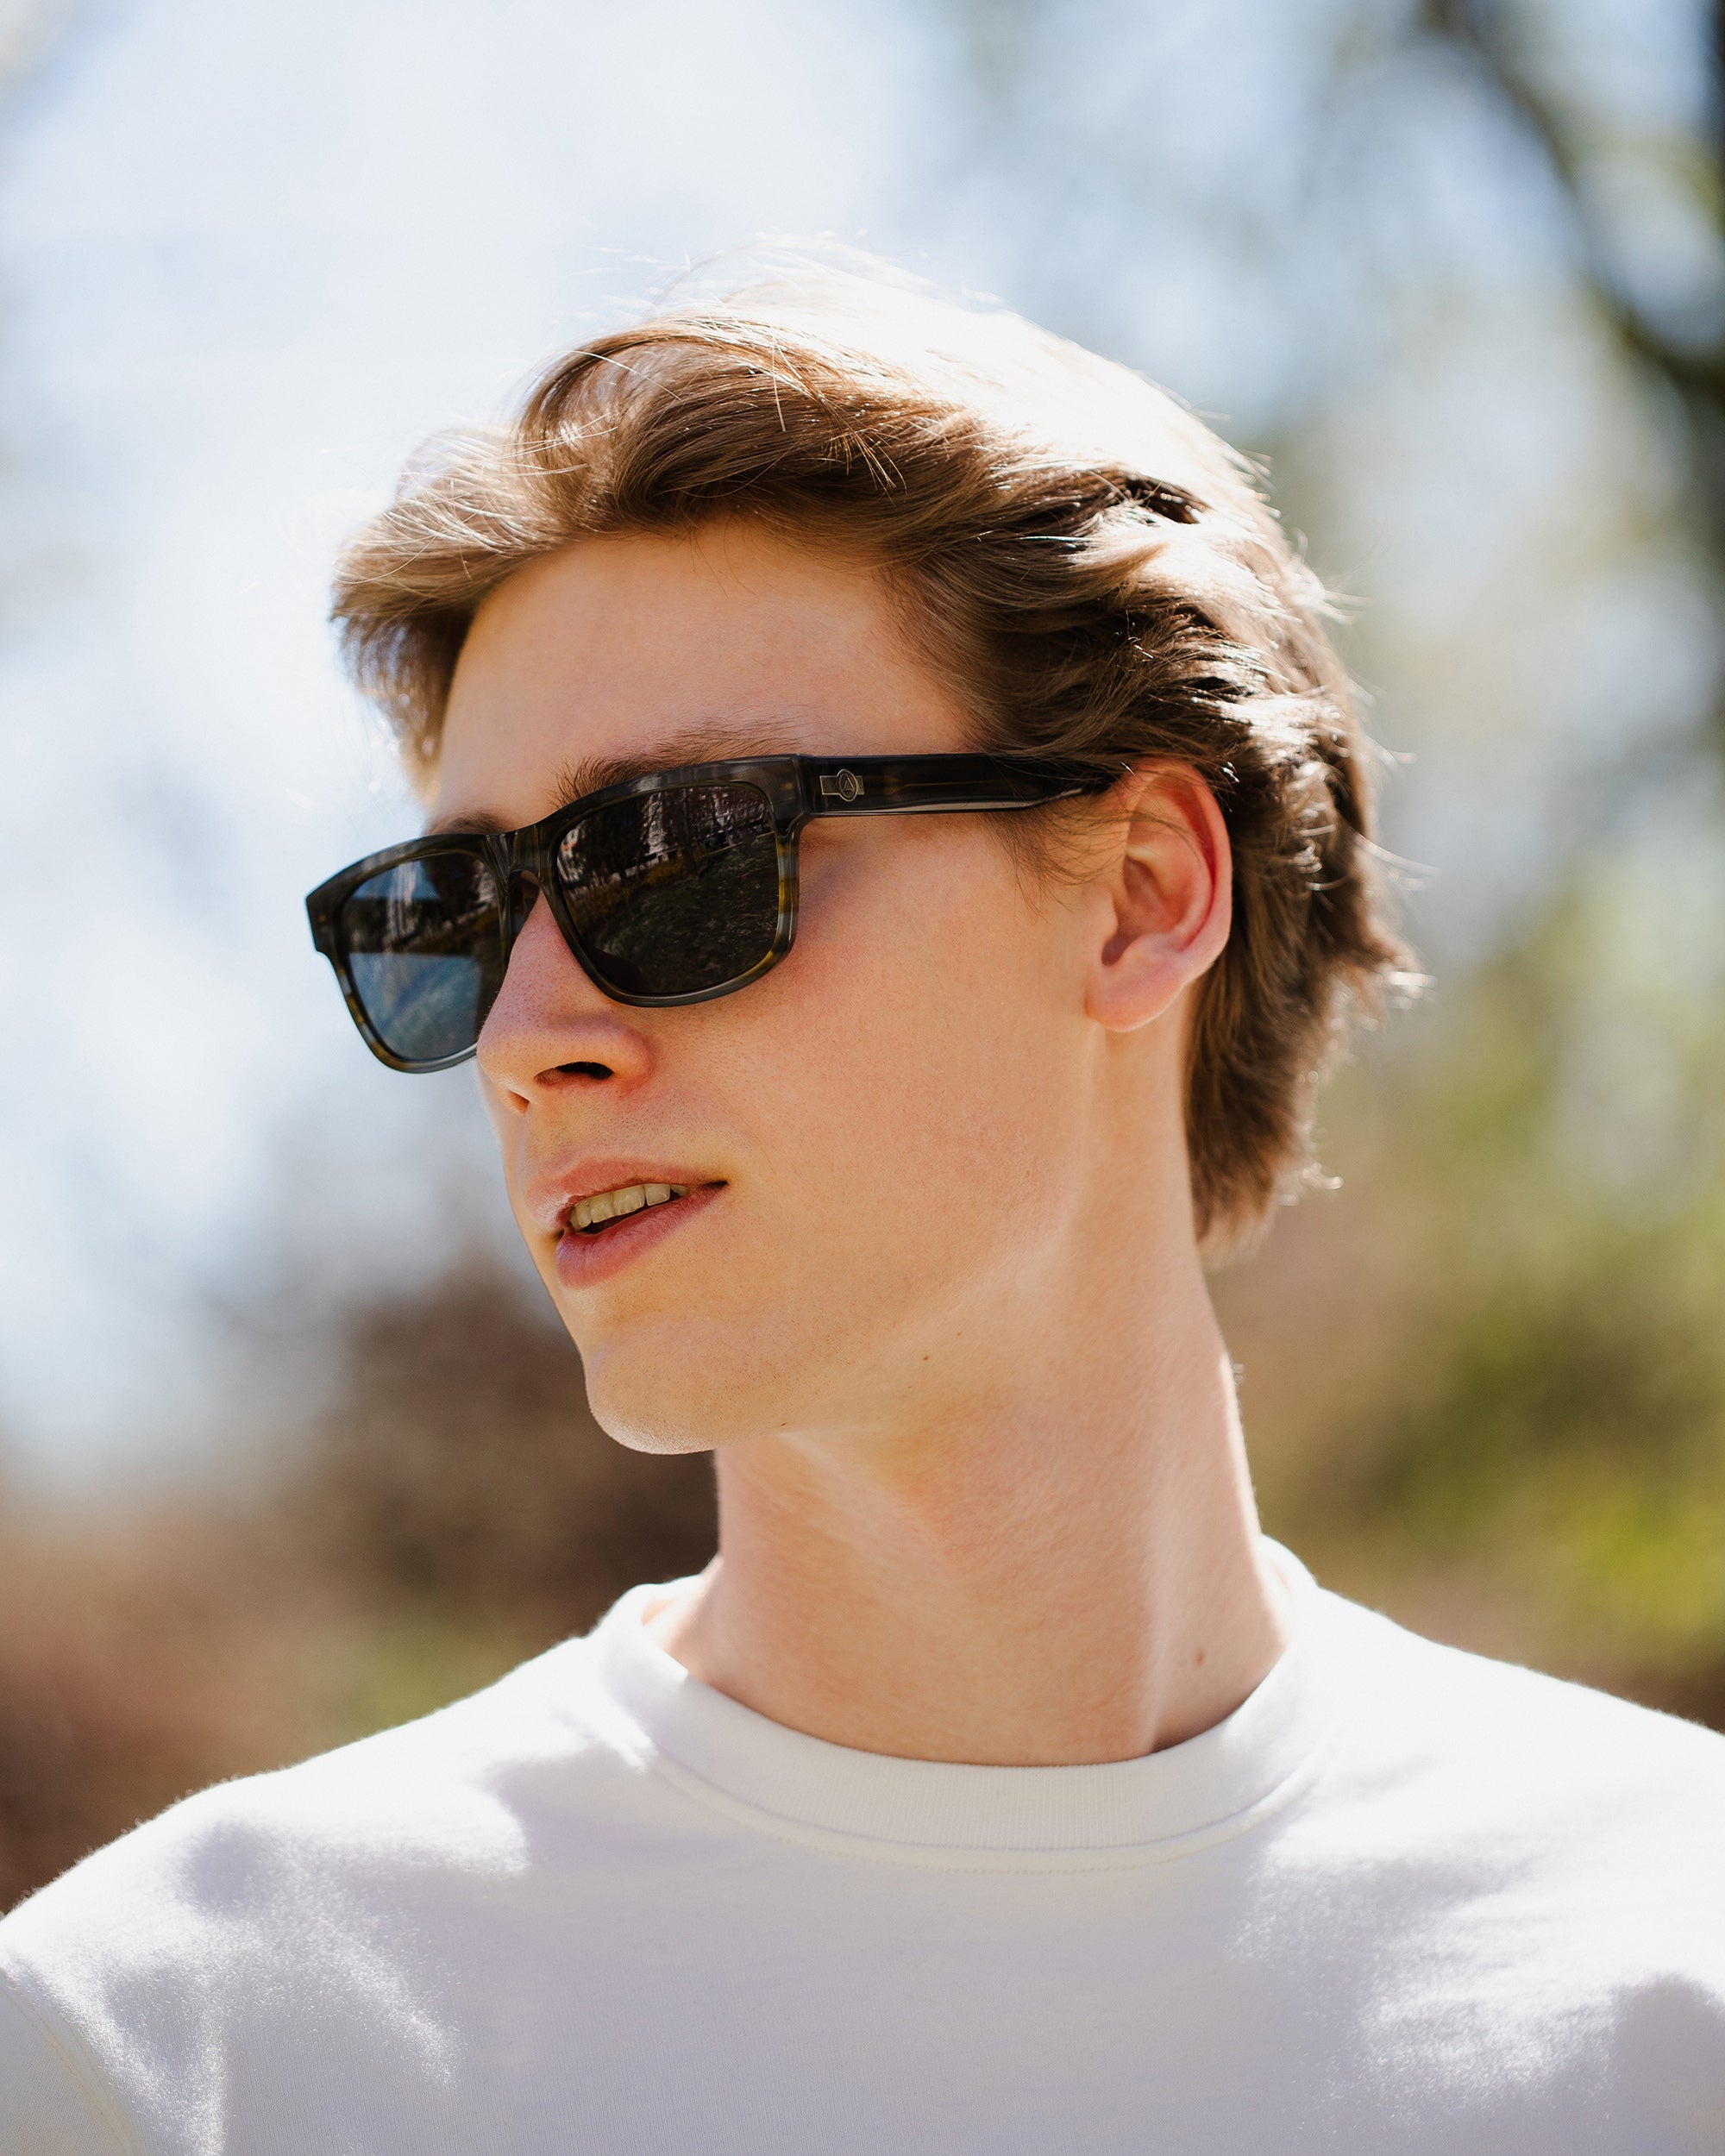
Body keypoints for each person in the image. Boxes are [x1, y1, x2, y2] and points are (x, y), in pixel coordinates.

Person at [3, 264, 1721, 2155]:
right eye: (458, 915)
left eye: (673, 854)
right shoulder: (170, 2053)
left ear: (1142, 891)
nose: (525, 1036)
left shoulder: (1671, 1970)